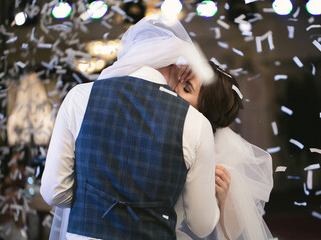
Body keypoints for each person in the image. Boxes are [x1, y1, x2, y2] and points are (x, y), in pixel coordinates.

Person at [40, 14, 220, 240]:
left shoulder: (79, 97)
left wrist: (93, 200)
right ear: (174, 63)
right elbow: (202, 225)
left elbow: (54, 192)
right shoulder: (194, 122)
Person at [174, 62, 274, 240]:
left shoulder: (221, 159)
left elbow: (232, 234)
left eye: (186, 89)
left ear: (204, 112)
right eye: (179, 83)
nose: (174, 90)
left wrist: (223, 198)